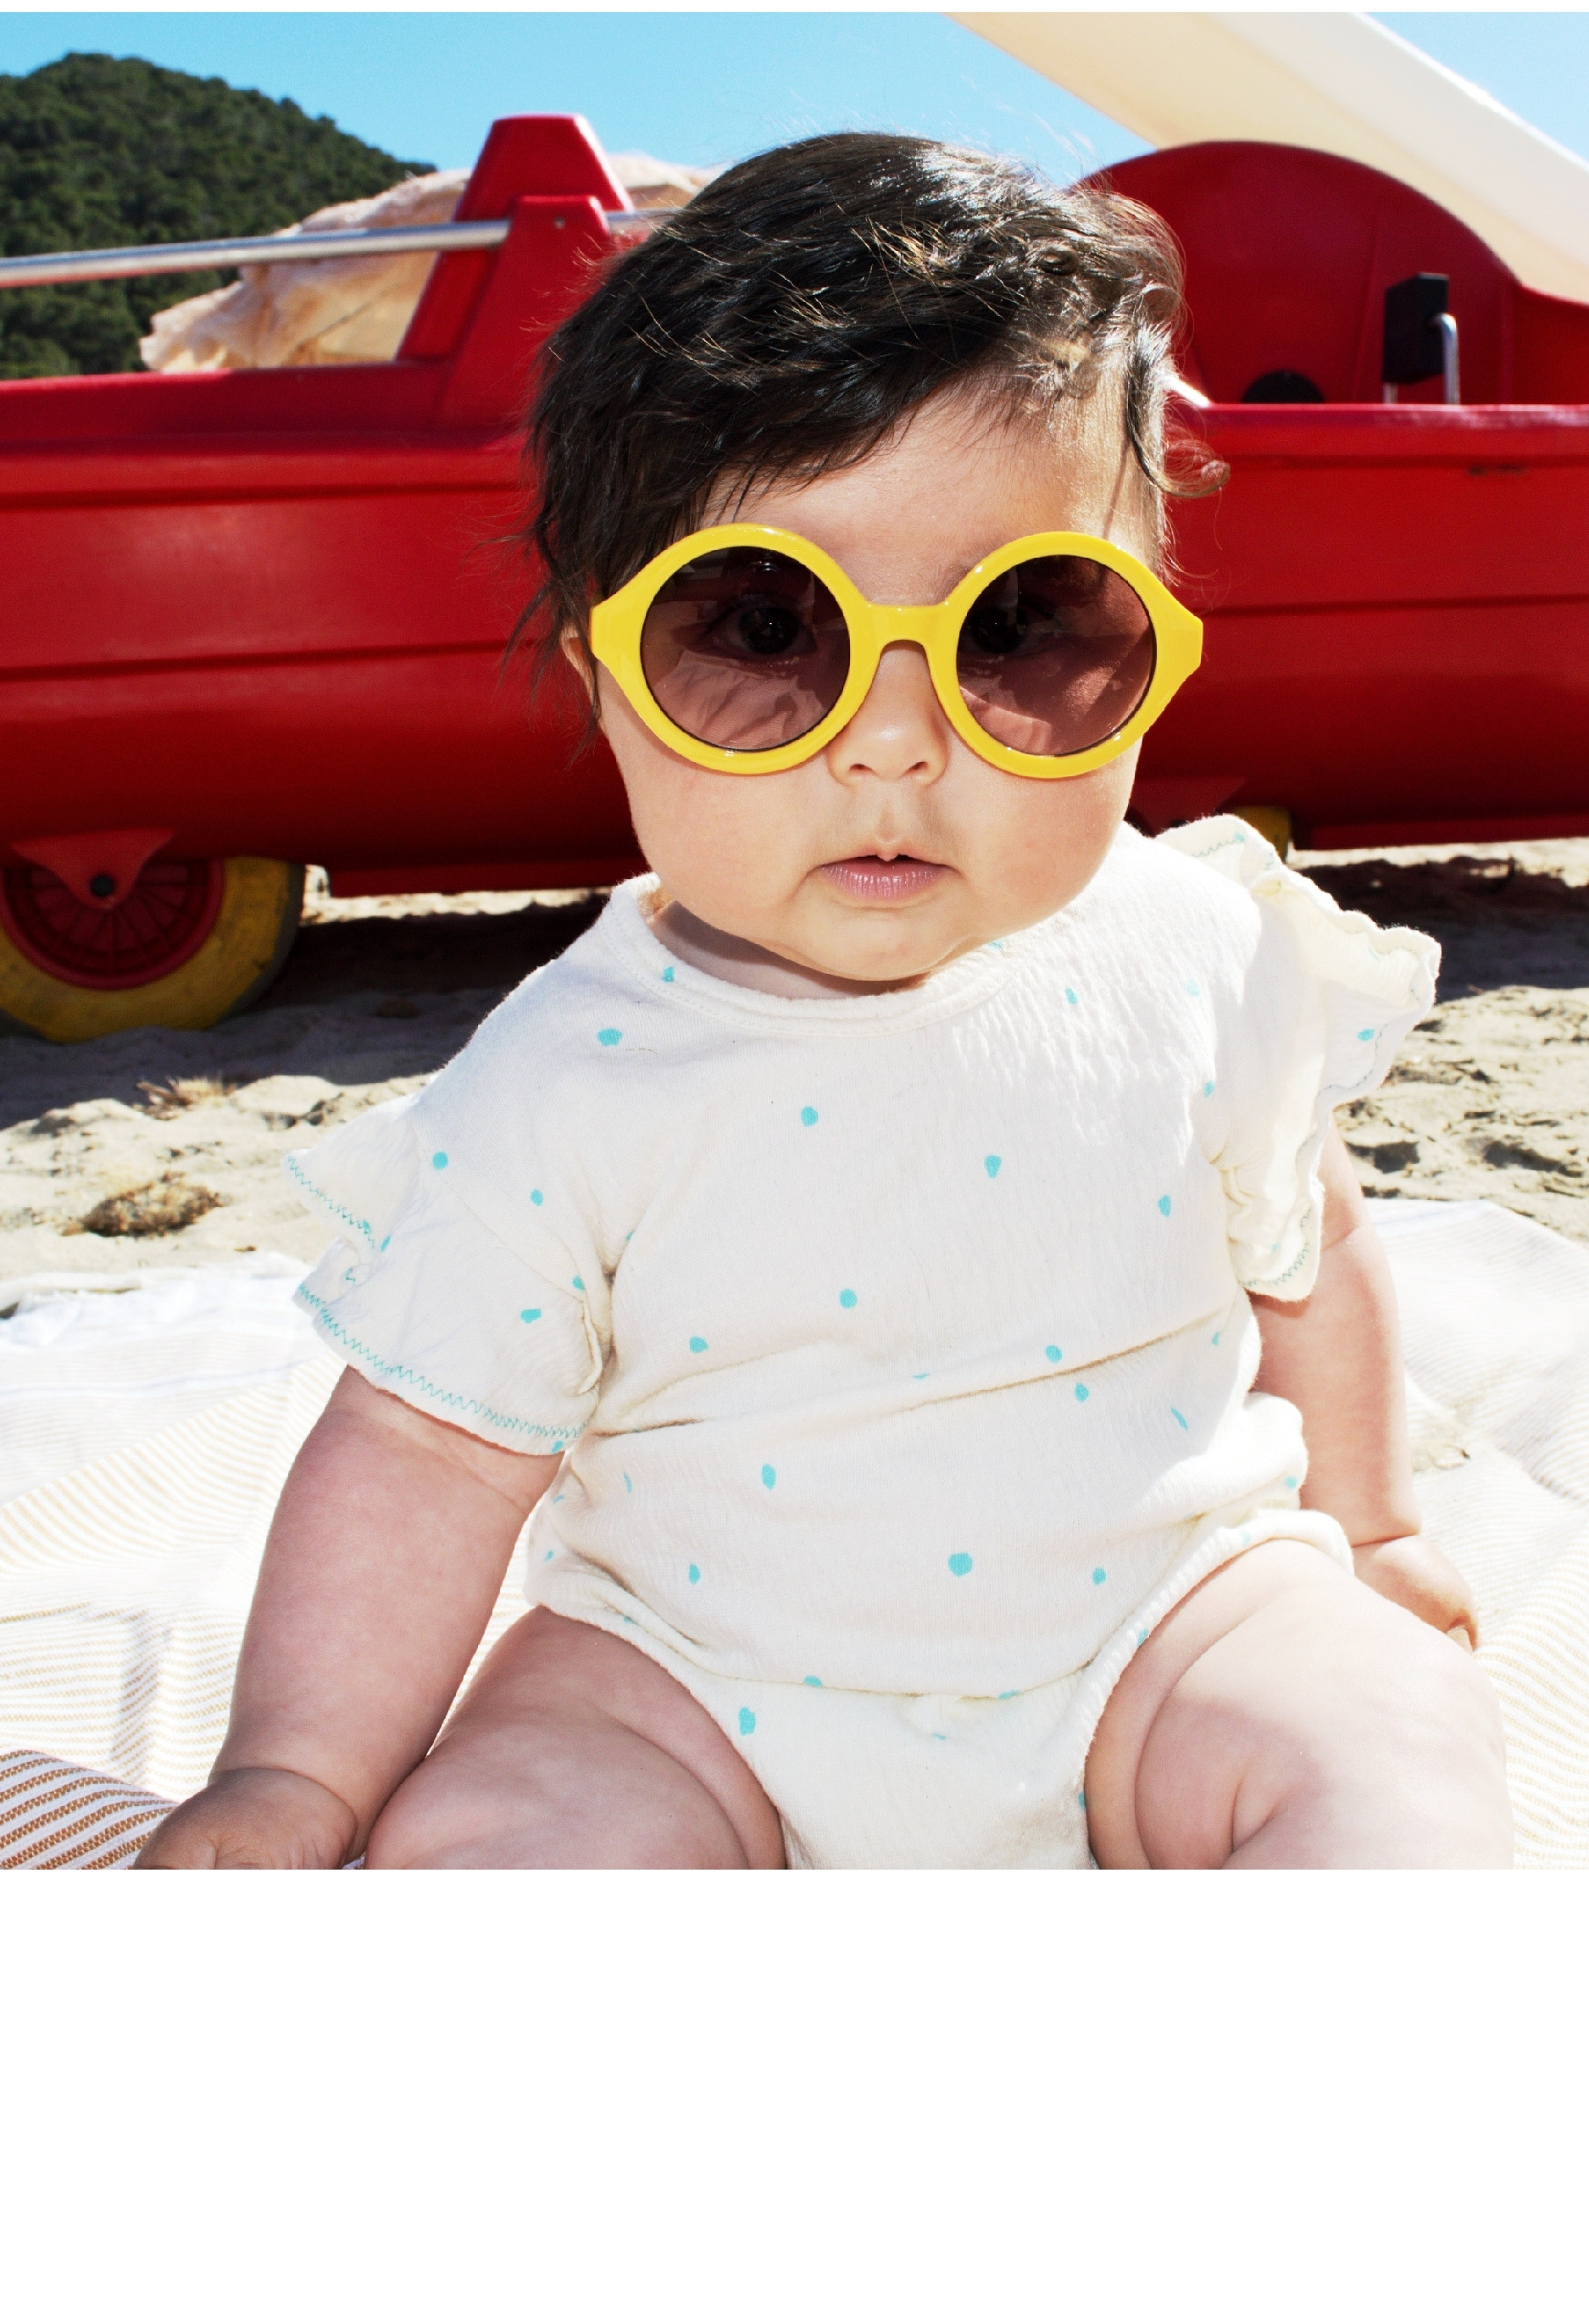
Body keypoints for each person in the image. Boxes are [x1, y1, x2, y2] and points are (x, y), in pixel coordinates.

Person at [136, 135, 1513, 1869]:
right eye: (765, 631)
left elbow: (1310, 1246)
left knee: (1393, 1743)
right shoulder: (564, 1083)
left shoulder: (1202, 945)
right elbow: (430, 1456)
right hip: (691, 1680)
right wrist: (297, 1772)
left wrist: (1368, 1534)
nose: (892, 740)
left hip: (1165, 1619)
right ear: (603, 681)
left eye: (1022, 627)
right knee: (497, 1833)